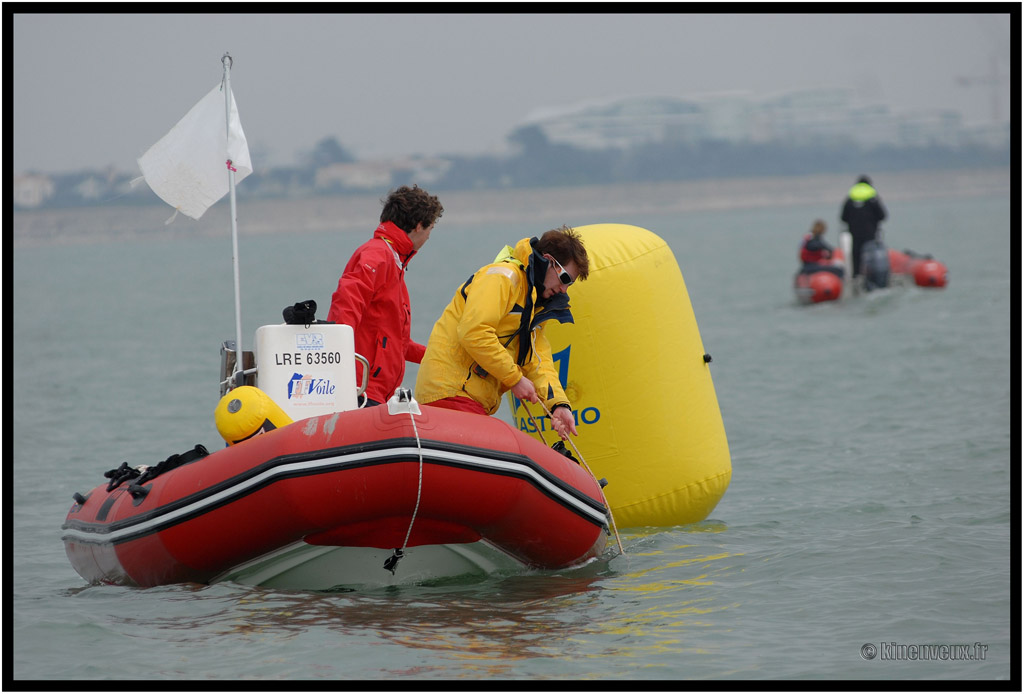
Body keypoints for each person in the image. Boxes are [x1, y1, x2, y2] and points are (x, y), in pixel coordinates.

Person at [414, 225, 588, 440]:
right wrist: (515, 379)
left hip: (472, 400)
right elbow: (474, 332)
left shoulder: (533, 305)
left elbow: (538, 361)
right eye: (564, 279)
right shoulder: (501, 278)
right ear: (548, 260)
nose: (564, 290)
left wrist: (558, 405)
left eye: (570, 284)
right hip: (450, 392)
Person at [327, 185, 443, 407]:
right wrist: (340, 363)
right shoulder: (378, 255)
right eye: (431, 229)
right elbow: (346, 304)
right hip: (361, 389)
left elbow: (395, 341)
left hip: (376, 392)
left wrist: (439, 358)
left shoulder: (393, 261)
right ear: (419, 226)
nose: (429, 236)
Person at [840, 175, 887, 278]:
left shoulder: (850, 198)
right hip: (870, 233)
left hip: (855, 233)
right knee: (871, 256)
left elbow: (843, 218)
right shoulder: (872, 198)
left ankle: (856, 277)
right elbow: (882, 215)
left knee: (856, 256)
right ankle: (871, 277)